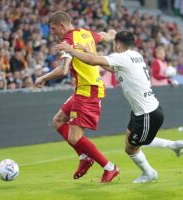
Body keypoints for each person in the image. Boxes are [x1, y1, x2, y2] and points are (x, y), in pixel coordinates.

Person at [55, 30, 183, 183]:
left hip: (147, 113)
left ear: (117, 44)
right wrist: (88, 51)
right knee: (133, 140)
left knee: (131, 148)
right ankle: (173, 146)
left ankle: (149, 173)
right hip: (142, 111)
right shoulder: (136, 55)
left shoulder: (121, 57)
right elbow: (111, 67)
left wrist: (71, 50)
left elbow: (93, 61)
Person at [35, 11, 119, 183]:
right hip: (83, 88)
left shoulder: (67, 41)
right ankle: (84, 158)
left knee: (74, 138)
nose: (52, 32)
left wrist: (43, 77)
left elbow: (64, 69)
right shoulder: (85, 33)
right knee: (57, 121)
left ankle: (110, 167)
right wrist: (111, 35)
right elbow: (103, 36)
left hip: (88, 91)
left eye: (53, 29)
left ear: (63, 26)